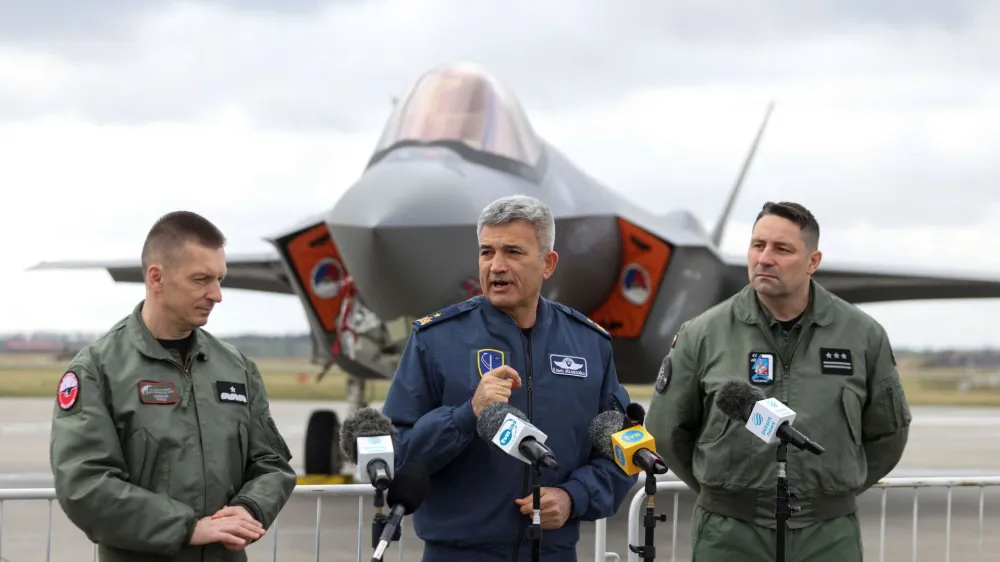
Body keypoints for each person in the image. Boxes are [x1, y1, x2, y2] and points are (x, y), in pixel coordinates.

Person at [644, 201, 912, 561]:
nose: (765, 258)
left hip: (827, 534)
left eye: (782, 249)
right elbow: (667, 429)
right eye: (758, 245)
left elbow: (888, 434)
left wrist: (825, 492)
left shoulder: (862, 336)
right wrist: (727, 494)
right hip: (729, 535)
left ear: (812, 262)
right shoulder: (702, 334)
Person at [381, 194, 638, 562]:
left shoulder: (589, 344)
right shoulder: (435, 340)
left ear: (547, 263)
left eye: (513, 252)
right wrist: (468, 413)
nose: (496, 266)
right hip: (458, 554)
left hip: (553, 553)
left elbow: (623, 447)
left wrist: (573, 497)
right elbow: (399, 453)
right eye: (487, 252)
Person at [49, 211, 298, 562]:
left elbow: (271, 463)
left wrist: (250, 508)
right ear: (156, 278)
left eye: (220, 279)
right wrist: (187, 528)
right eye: (201, 280)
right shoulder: (97, 370)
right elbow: (85, 485)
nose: (217, 294)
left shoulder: (236, 367)